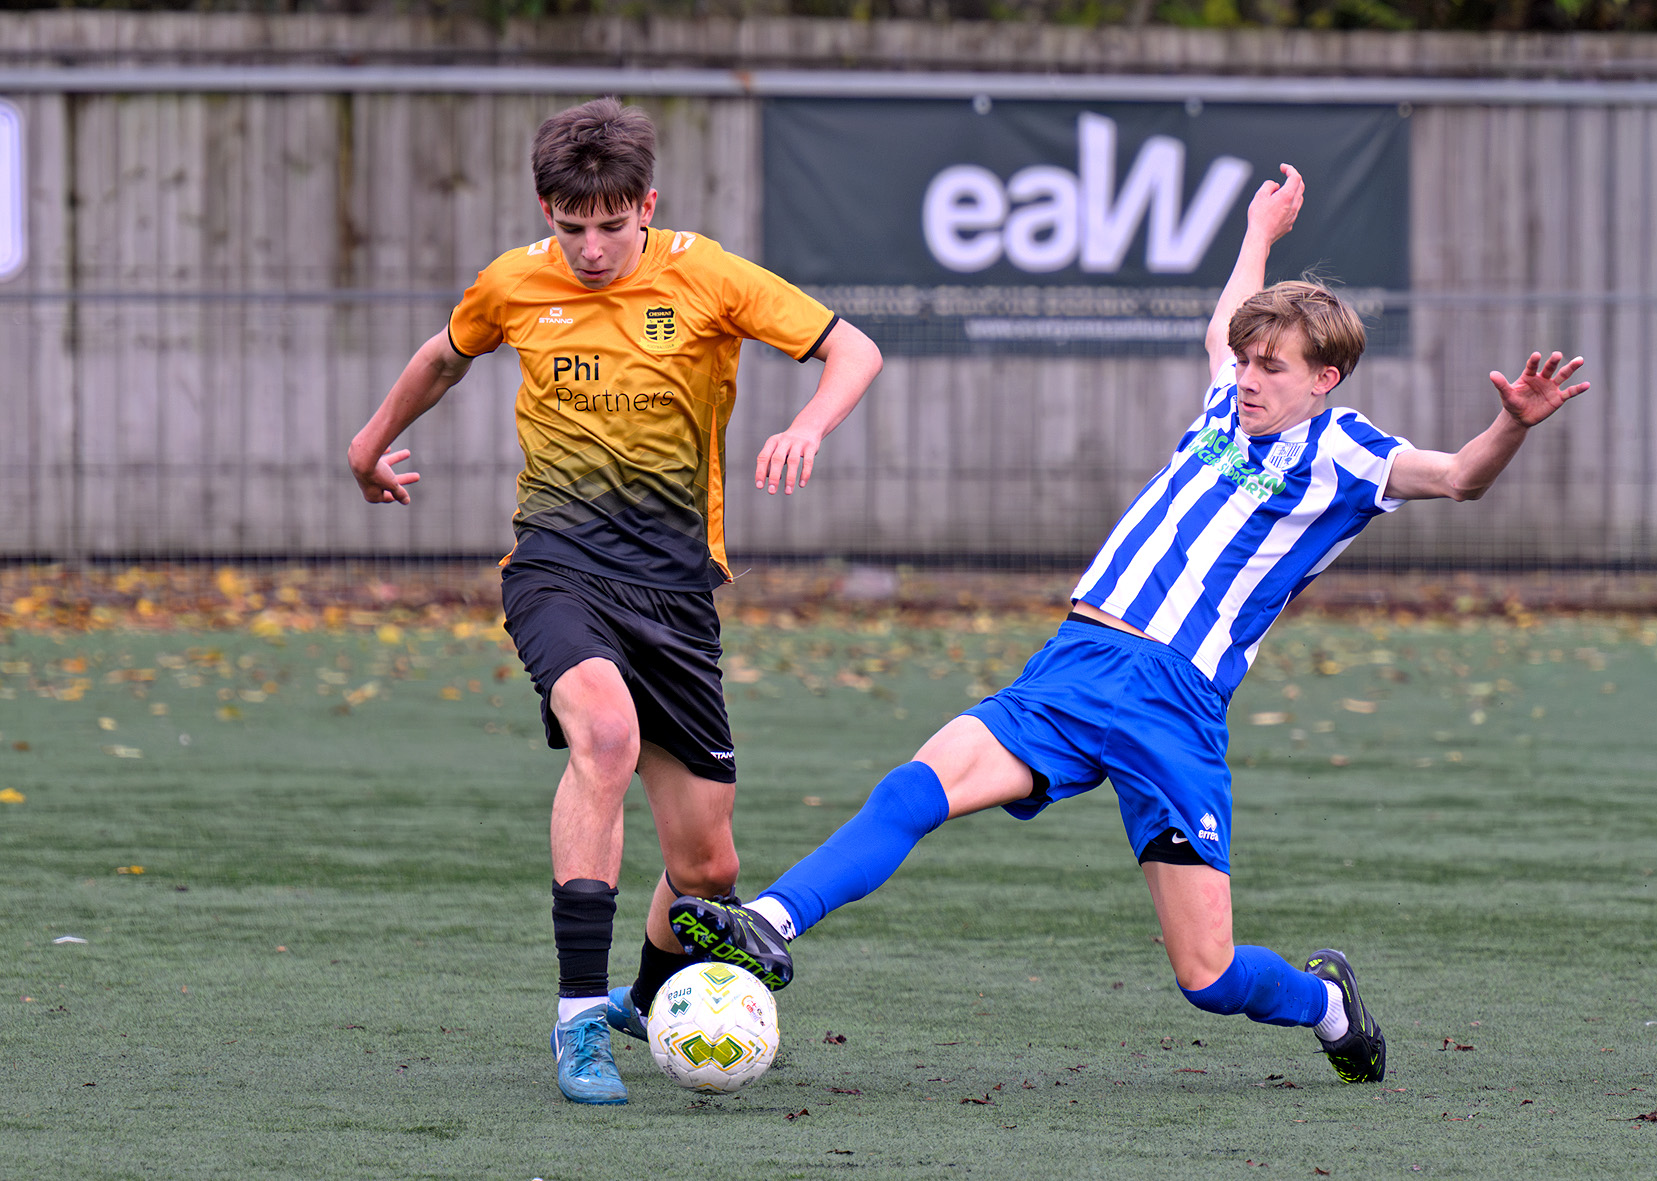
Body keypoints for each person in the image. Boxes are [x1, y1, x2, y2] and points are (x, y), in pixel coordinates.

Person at [666, 163, 1588, 1086]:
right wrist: (1258, 233)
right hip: (1078, 661)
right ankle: (771, 920)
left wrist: (1513, 424)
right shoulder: (1226, 400)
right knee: (920, 784)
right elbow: (1226, 321)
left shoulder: (1346, 449)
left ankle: (1327, 1004)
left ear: (1326, 378)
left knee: (1208, 975)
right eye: (1246, 360)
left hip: (1173, 703)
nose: (1249, 377)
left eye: (1272, 367)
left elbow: (1459, 477)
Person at [347, 98, 882, 1105]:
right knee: (604, 736)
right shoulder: (514, 281)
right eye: (570, 226)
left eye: (610, 224)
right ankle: (578, 1019)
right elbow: (442, 356)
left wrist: (808, 424)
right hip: (556, 569)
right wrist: (367, 445)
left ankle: (643, 998)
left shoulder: (707, 274)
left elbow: (852, 349)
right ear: (544, 212)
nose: (590, 248)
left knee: (707, 868)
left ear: (647, 204)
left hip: (675, 593)